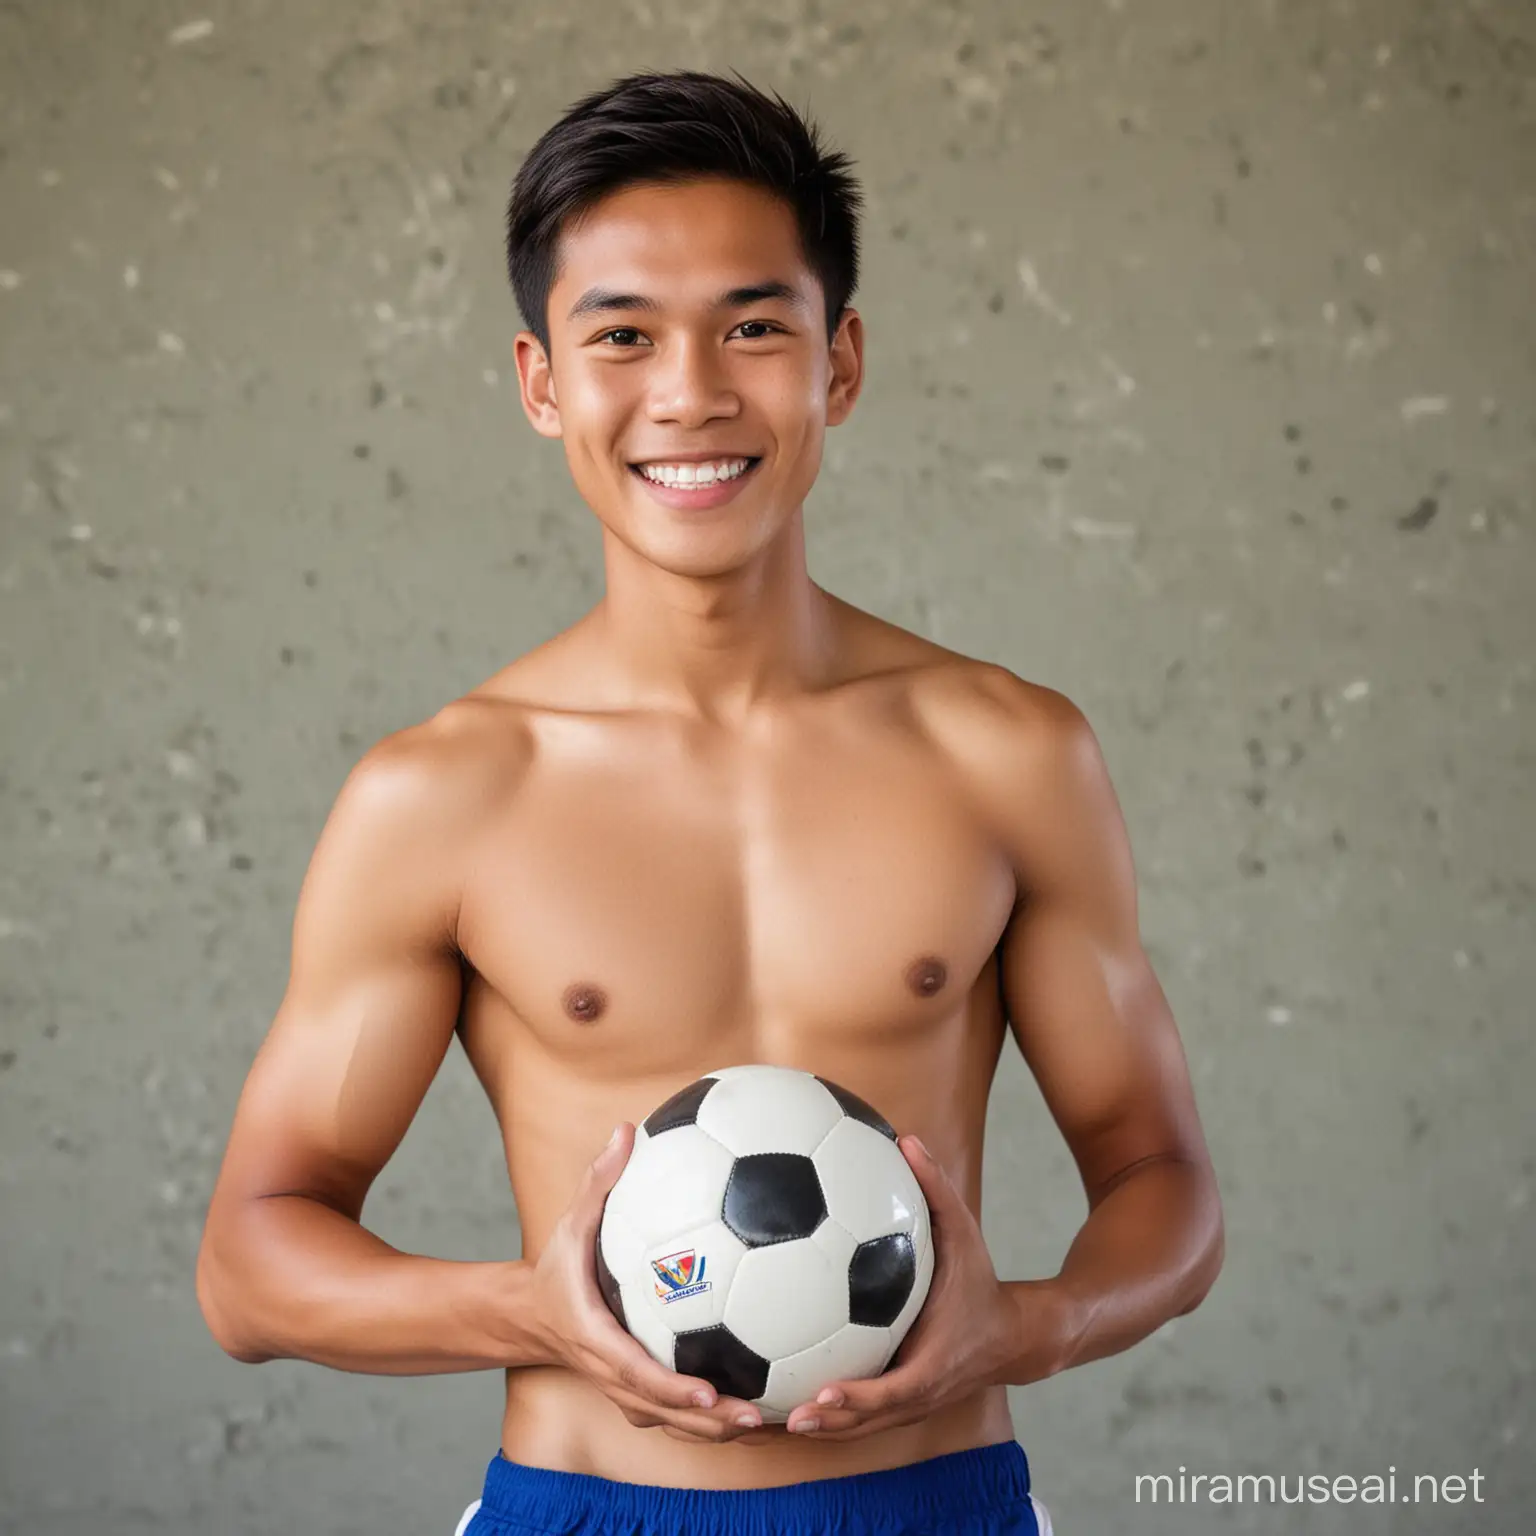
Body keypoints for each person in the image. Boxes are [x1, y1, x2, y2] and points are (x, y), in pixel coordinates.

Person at [194, 68, 1223, 1536]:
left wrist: (1037, 1324)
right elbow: (248, 1265)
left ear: (839, 364)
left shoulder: (1007, 753)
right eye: (621, 336)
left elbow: (1162, 1174)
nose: (690, 394)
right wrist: (527, 1314)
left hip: (942, 1506)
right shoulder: (446, 795)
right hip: (584, 1508)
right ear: (542, 382)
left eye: (753, 327)